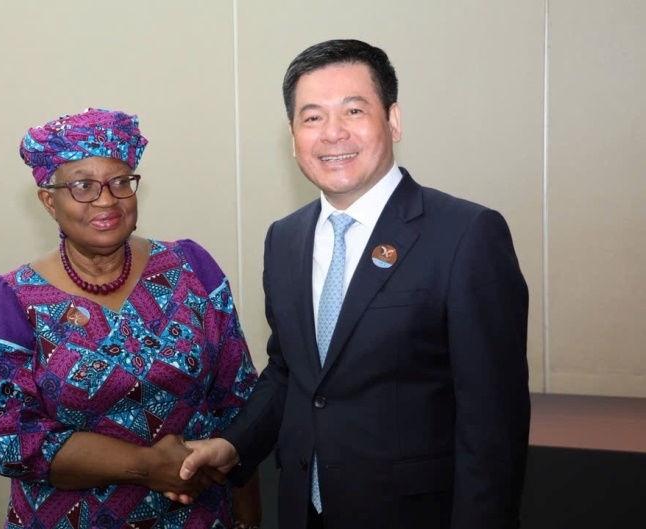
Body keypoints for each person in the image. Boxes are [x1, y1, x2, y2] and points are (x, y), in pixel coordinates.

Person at [173, 39, 531, 529]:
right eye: (312, 117)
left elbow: (493, 421)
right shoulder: (285, 238)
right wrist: (233, 445)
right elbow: (292, 372)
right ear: (293, 136)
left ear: (394, 121)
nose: (332, 133)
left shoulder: (466, 234)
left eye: (354, 110)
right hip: (305, 510)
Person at [0, 108, 262, 528]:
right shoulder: (8, 304)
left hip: (201, 517)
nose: (106, 200)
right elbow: (3, 436)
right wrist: (146, 466)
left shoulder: (192, 270)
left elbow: (237, 400)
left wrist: (247, 514)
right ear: (49, 200)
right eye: (82, 186)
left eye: (120, 182)